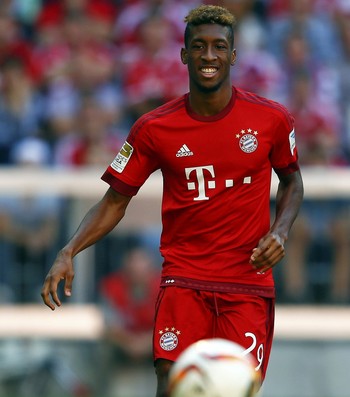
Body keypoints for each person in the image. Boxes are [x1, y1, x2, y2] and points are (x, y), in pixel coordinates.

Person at [41, 5, 304, 397]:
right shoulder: (154, 128)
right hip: (184, 279)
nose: (209, 56)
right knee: (172, 385)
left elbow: (292, 180)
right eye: (198, 46)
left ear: (233, 55)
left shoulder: (272, 119)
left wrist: (281, 231)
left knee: (236, 389)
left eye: (219, 47)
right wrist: (69, 249)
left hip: (246, 282)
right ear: (183, 54)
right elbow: (114, 200)